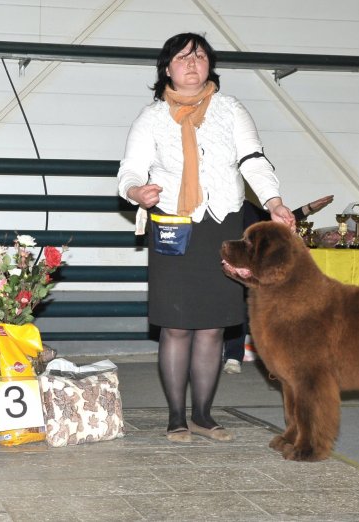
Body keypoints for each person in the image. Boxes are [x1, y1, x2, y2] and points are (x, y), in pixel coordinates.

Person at [117, 32, 295, 443]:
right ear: (167, 68)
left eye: (199, 55)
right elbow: (129, 169)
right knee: (176, 326)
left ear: (209, 65)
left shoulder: (231, 110)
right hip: (172, 224)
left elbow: (253, 159)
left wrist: (274, 200)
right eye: (182, 57)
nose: (192, 62)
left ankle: (203, 414)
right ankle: (176, 417)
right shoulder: (151, 116)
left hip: (222, 224)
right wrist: (135, 192)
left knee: (214, 327)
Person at [222, 195, 334, 374]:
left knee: (252, 307)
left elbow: (277, 224)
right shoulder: (217, 205)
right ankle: (230, 355)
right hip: (223, 262)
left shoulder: (249, 207)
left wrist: (309, 208)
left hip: (247, 266)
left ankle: (243, 357)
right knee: (232, 308)